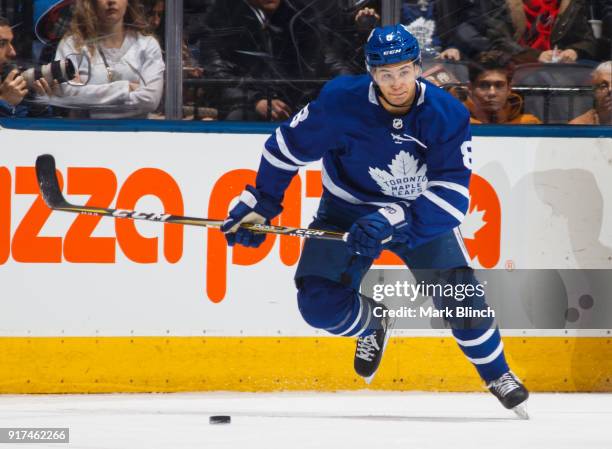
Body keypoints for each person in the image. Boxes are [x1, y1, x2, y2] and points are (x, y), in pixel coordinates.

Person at [221, 25, 530, 417]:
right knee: (318, 304)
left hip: (417, 212)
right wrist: (262, 203)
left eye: (403, 71)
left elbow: (453, 196)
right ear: (371, 72)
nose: (396, 83)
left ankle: (498, 374)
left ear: (418, 67)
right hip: (347, 208)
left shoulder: (447, 113)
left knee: (460, 297)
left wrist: (394, 217)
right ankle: (372, 324)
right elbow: (284, 150)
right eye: (385, 74)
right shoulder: (340, 102)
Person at [198, 0, 326, 121]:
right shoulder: (219, 21)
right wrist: (256, 101)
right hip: (245, 106)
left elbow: (314, 69)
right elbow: (217, 76)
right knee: (239, 118)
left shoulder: (304, 19)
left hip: (297, 107)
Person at [51, 0, 164, 118]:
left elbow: (150, 100)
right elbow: (66, 94)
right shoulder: (72, 45)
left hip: (135, 133)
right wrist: (126, 88)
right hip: (85, 133)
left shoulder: (147, 45)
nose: (111, 1)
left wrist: (86, 97)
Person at [462, 0, 597, 64]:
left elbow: (588, 40)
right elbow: (499, 41)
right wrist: (537, 55)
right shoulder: (502, 3)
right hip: (516, 64)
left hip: (560, 67)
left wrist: (574, 51)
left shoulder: (570, 4)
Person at [463, 50, 541, 124]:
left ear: (509, 88)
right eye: (484, 85)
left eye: (499, 85)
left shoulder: (529, 124)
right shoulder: (456, 124)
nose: (492, 93)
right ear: (470, 88)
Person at [0, 15, 51, 117]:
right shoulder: (7, 94)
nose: (12, 52)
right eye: (2, 44)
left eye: (11, 43)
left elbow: (26, 125)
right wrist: (4, 103)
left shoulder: (8, 86)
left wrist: (40, 108)